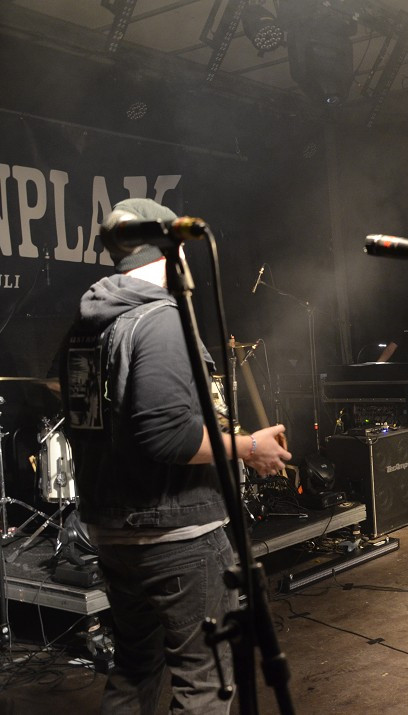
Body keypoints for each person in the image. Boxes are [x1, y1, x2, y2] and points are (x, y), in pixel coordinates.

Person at [60, 198, 291, 713]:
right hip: (176, 534)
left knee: (135, 668)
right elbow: (169, 439)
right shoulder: (160, 320)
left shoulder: (86, 323)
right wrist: (250, 448)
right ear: (169, 249)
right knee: (204, 680)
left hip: (114, 530)